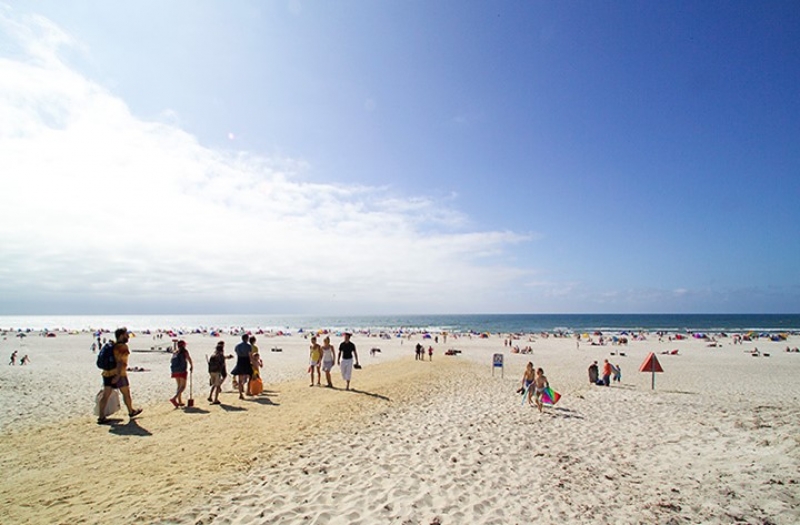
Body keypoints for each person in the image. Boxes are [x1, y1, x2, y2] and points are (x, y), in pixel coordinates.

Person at [98, 327, 142, 424]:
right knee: (126, 394)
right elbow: (120, 362)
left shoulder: (112, 345)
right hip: (119, 374)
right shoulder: (122, 347)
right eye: (126, 335)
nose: (128, 337)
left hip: (107, 373)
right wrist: (118, 376)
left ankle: (101, 417)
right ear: (121, 335)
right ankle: (131, 411)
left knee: (106, 395)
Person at [169, 340, 193, 407]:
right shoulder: (184, 351)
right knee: (183, 386)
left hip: (174, 370)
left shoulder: (175, 352)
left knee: (179, 386)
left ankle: (179, 401)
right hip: (182, 370)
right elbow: (189, 358)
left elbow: (171, 361)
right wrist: (191, 366)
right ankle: (174, 398)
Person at [231, 334, 252, 400]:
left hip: (240, 361)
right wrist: (252, 362)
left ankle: (240, 394)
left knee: (240, 379)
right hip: (246, 361)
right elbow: (250, 355)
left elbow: (236, 352)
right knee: (250, 376)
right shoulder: (248, 346)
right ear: (247, 339)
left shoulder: (238, 346)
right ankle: (248, 391)